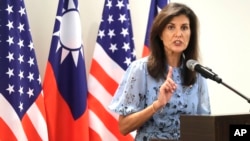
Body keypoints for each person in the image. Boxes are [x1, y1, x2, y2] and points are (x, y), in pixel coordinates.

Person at [108, 2, 211, 141]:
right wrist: (157, 105)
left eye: (184, 28)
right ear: (160, 34)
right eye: (171, 27)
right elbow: (124, 127)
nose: (178, 34)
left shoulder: (197, 73)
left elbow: (206, 126)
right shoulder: (140, 70)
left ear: (191, 34)